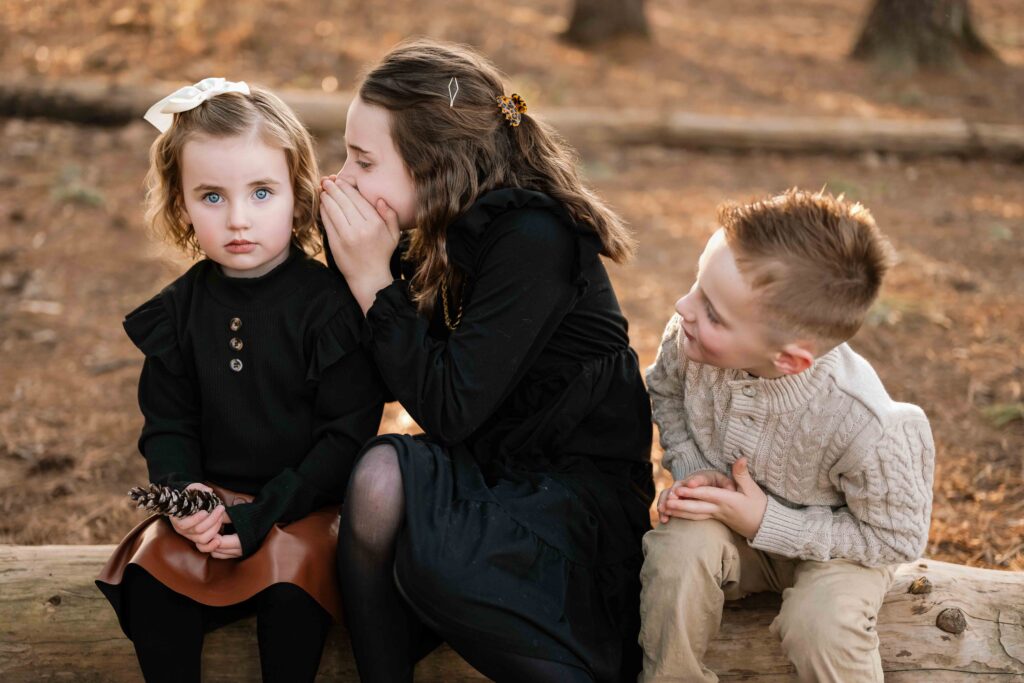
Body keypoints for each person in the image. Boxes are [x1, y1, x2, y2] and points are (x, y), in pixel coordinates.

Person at [318, 39, 655, 683]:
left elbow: (448, 408)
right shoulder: (428, 228)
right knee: (379, 475)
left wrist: (371, 283)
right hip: (489, 472)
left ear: (434, 163)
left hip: (573, 505)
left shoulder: (534, 237)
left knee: (431, 546)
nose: (345, 177)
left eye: (363, 160)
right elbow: (370, 385)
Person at [95, 78, 387, 683]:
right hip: (213, 500)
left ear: (298, 199)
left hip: (302, 507)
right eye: (211, 197)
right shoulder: (176, 314)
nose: (237, 220)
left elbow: (344, 438)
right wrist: (185, 500)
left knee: (290, 593)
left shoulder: (329, 309)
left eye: (260, 193)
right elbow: (167, 426)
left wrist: (267, 512)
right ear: (180, 206)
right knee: (152, 581)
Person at [639, 189, 935, 682]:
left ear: (790, 359)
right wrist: (695, 469)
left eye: (713, 311)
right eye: (696, 285)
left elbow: (895, 536)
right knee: (677, 553)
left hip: (841, 551)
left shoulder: (867, 423)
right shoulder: (689, 339)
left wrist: (765, 519)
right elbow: (664, 392)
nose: (683, 306)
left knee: (823, 625)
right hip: (736, 534)